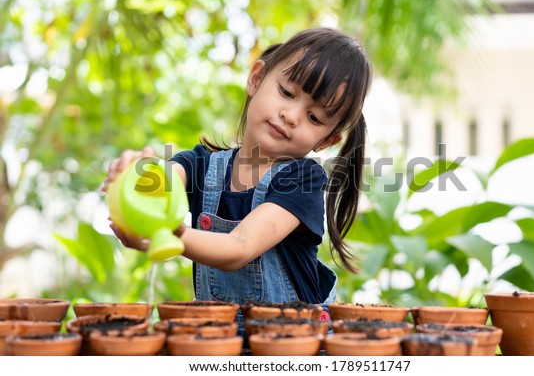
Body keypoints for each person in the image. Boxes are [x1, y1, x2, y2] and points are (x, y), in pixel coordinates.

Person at [102, 27, 372, 327]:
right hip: (221, 342)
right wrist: (134, 175)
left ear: (326, 141)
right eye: (286, 92)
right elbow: (161, 180)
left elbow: (239, 247)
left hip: (294, 346)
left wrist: (170, 234)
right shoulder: (200, 166)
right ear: (256, 78)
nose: (291, 115)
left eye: (314, 118)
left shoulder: (302, 180)